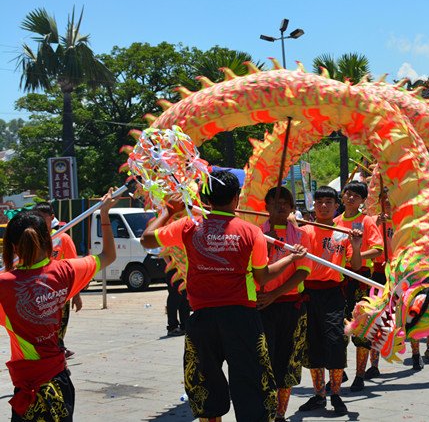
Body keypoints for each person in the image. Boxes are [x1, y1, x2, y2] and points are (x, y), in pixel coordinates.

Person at [142, 169, 307, 422]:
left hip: (202, 319)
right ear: (236, 198)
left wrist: (168, 210)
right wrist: (290, 259)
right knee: (252, 384)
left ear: (206, 198)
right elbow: (262, 278)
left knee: (205, 385)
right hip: (243, 319)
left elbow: (147, 240)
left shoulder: (188, 225)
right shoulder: (250, 232)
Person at [0, 190, 118, 421]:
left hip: (28, 386)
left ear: (13, 247)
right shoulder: (65, 271)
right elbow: (108, 256)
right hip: (60, 383)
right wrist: (104, 215)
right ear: (48, 240)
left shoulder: (4, 285)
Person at [299, 186, 361, 415]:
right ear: (313, 205)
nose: (323, 206)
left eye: (328, 202)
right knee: (313, 344)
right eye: (319, 202)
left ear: (337, 206)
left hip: (334, 294)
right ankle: (318, 396)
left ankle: (336, 394)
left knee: (335, 342)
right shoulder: (303, 231)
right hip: (307, 294)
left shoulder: (344, 232)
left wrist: (355, 247)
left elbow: (355, 266)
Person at [259, 187, 314, 422]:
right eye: (275, 202)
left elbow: (302, 272)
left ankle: (280, 413)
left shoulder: (302, 236)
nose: (280, 206)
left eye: (285, 202)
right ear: (266, 207)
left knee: (287, 360)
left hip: (290, 306)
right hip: (261, 307)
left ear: (292, 208)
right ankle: (265, 410)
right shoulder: (257, 234)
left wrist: (276, 294)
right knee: (264, 360)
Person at [335, 180, 383, 393]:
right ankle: (339, 371)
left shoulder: (366, 221)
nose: (351, 197)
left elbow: (378, 249)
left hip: (362, 279)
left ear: (363, 200)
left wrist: (355, 256)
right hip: (339, 280)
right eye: (348, 193)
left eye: (356, 195)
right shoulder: (334, 221)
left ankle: (360, 375)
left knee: (362, 328)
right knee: (338, 329)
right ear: (342, 196)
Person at [32, 203, 81, 359]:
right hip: (39, 293)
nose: (39, 220)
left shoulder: (62, 238)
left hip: (61, 293)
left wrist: (77, 294)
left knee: (59, 326)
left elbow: (74, 267)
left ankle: (58, 353)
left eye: (43, 217)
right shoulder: (33, 238)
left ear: (52, 217)